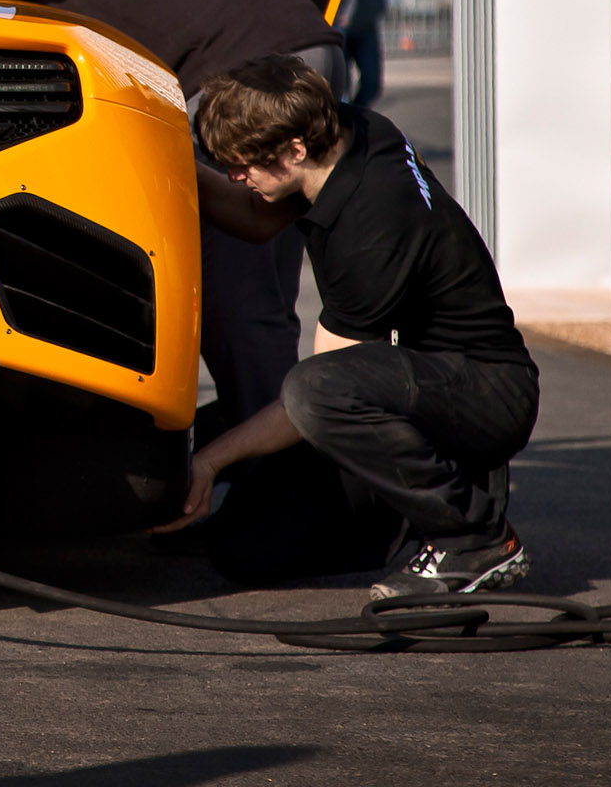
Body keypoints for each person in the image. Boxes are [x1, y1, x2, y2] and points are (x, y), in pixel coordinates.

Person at [0, 0, 344, 439]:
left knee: (234, 299)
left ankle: (278, 479)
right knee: (260, 296)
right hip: (298, 46)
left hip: (249, 70)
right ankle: (271, 437)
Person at [162, 55, 540, 599]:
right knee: (241, 547)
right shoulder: (350, 131)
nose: (235, 177)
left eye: (243, 165)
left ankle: (474, 536)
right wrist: (172, 165)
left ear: (294, 151)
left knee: (313, 388)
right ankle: (398, 512)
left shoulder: (367, 231)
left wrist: (212, 460)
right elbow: (252, 217)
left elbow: (315, 397)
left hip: (485, 394)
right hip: (422, 381)